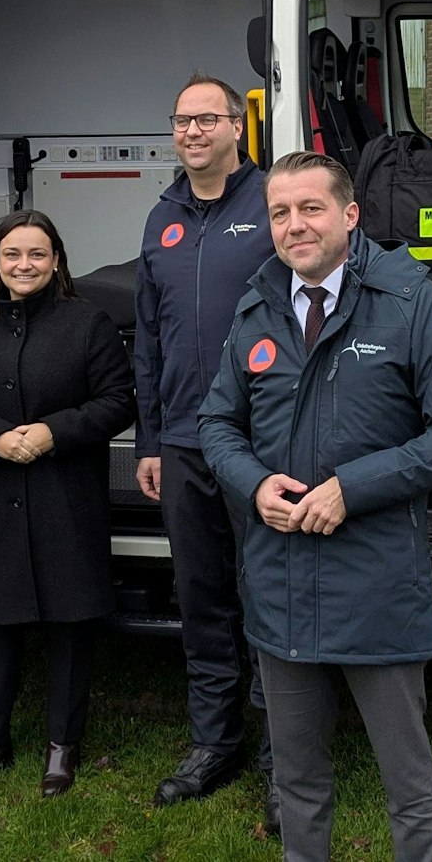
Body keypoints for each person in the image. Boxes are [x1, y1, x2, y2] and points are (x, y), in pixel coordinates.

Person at [199, 151, 432, 862]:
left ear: (350, 215)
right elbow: (216, 423)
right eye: (279, 212)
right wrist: (253, 482)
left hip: (377, 583)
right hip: (280, 585)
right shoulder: (258, 304)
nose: (295, 225)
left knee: (409, 784)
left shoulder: (410, 301)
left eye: (311, 208)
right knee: (297, 781)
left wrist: (351, 489)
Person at [0, 211, 135, 798]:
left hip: (66, 494)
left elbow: (119, 400)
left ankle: (61, 748)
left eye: (37, 255)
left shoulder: (87, 323)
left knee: (71, 625)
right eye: (13, 254)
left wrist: (53, 432)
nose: (25, 265)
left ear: (56, 261)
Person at [132, 74, 279, 819]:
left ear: (235, 125)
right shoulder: (162, 216)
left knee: (272, 597)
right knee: (203, 599)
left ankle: (287, 756)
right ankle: (214, 741)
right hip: (184, 446)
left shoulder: (271, 203)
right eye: (182, 120)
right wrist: (150, 440)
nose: (192, 132)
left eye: (206, 119)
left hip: (260, 445)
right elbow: (149, 341)